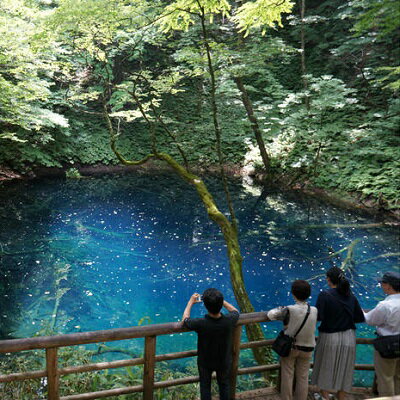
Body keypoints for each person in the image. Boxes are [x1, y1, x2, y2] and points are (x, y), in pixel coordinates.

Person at [311, 266, 365, 400]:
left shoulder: (325, 295)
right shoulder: (350, 296)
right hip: (349, 336)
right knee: (345, 368)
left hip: (330, 336)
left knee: (326, 366)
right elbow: (359, 317)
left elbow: (318, 317)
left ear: (328, 279)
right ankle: (342, 396)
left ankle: (325, 396)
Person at [182, 288, 239, 400]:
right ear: (221, 304)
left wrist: (190, 302)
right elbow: (235, 311)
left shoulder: (201, 323)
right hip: (224, 361)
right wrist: (221, 301)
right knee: (224, 386)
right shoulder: (229, 320)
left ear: (205, 305)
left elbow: (185, 320)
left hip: (205, 362)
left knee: (205, 387)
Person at [267, 280, 318, 400]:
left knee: (287, 375)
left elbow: (270, 315)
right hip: (308, 348)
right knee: (303, 377)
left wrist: (281, 308)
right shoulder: (314, 310)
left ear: (293, 294)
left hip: (291, 348)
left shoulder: (289, 309)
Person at [364, 271, 400, 396]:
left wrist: (359, 311)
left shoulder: (385, 305)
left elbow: (370, 320)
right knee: (398, 377)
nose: (381, 285)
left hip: (387, 346)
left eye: (383, 283)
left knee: (385, 378)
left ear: (389, 286)